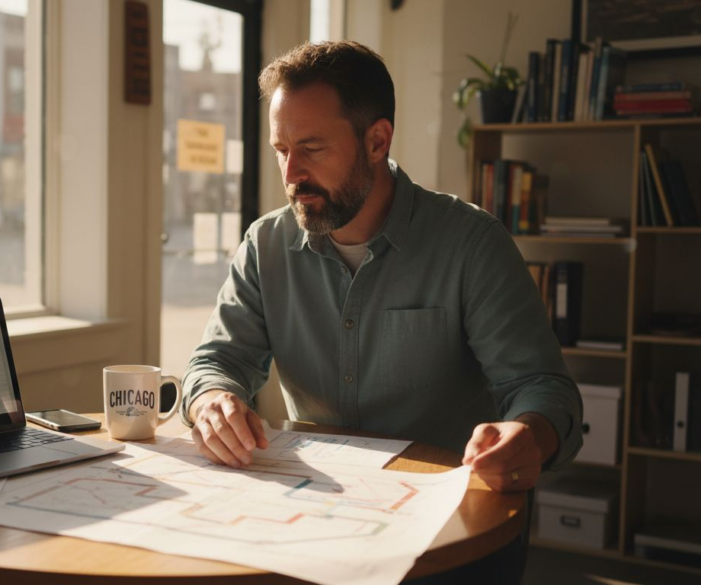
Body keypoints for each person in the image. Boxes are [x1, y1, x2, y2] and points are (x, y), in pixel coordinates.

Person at [180, 41, 582, 495]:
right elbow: (218, 360)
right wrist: (212, 400)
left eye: (311, 148)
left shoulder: (472, 243)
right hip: (319, 502)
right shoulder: (264, 244)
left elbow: (540, 386)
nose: (291, 174)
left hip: (444, 505)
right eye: (281, 149)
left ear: (376, 141)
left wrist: (530, 432)